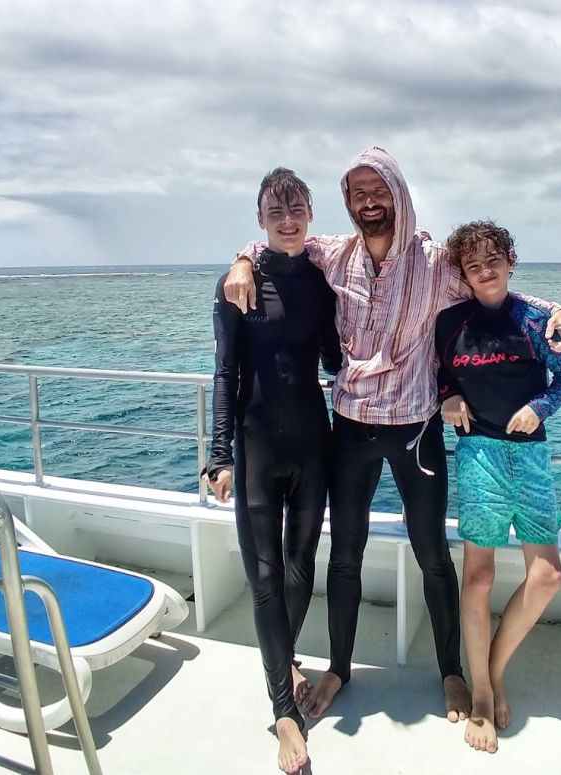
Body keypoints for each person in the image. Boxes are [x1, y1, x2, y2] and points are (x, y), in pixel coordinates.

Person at [223, 147, 561, 722]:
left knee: (434, 555)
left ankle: (452, 672)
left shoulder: (436, 263)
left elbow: (495, 294)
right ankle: (338, 668)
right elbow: (276, 246)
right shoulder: (334, 255)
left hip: (416, 430)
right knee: (345, 557)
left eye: (378, 189)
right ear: (345, 203)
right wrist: (241, 259)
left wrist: (553, 307)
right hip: (352, 429)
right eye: (357, 192)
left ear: (399, 194)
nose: (368, 201)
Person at [202, 167, 341, 775]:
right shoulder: (238, 283)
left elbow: (336, 356)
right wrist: (219, 453)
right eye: (276, 212)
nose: (288, 220)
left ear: (310, 214)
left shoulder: (323, 277)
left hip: (314, 441)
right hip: (257, 445)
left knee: (301, 567)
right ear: (260, 219)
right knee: (263, 577)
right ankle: (285, 712)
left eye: (297, 210)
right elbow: (225, 372)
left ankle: (282, 659)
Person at [435, 220, 561, 753]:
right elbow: (437, 375)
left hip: (531, 455)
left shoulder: (537, 319)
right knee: (479, 578)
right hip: (478, 456)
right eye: (474, 265)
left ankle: (492, 669)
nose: (485, 270)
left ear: (509, 261)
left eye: (494, 260)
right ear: (464, 274)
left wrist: (536, 407)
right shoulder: (450, 321)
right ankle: (479, 694)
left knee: (547, 576)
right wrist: (447, 396)